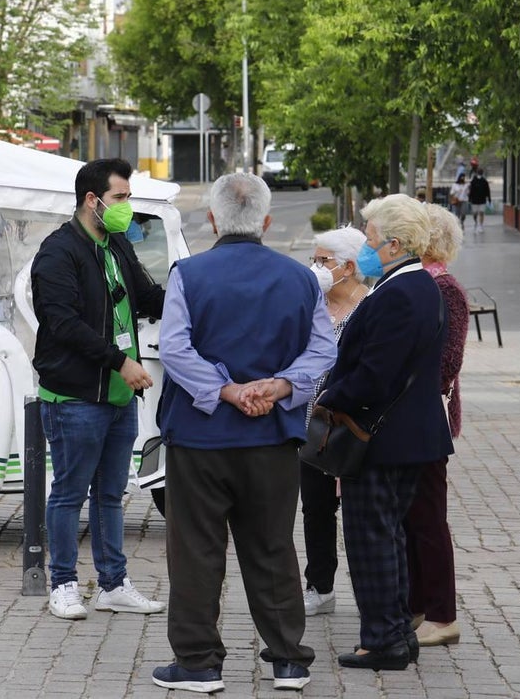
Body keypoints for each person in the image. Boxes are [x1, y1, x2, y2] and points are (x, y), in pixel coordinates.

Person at [150, 172, 337, 693]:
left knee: (195, 549)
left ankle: (198, 663)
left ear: (211, 219)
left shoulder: (188, 274)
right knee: (273, 545)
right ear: (267, 221)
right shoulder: (301, 279)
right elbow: (324, 349)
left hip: (200, 436)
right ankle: (288, 661)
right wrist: (279, 387)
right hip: (272, 438)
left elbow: (175, 348)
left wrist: (226, 391)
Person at [315, 194, 453, 672]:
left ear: (394, 244)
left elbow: (376, 375)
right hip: (401, 436)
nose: (366, 245)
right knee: (388, 537)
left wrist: (328, 398)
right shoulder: (404, 285)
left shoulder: (401, 291)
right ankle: (394, 632)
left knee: (372, 540)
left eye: (370, 238)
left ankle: (383, 641)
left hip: (383, 439)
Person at [30, 158, 166, 621]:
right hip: (75, 397)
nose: (127, 207)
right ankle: (64, 584)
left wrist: (198, 290)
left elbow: (146, 298)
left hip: (118, 396)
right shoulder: (58, 253)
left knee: (110, 493)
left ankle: (113, 583)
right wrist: (120, 361)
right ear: (93, 200)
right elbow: (63, 324)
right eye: (122, 198)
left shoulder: (116, 244)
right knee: (69, 492)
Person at [405, 204, 467, 648]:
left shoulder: (445, 290)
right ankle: (418, 604)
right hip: (409, 419)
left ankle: (443, 614)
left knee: (428, 517)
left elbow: (447, 363)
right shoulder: (419, 284)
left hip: (425, 420)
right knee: (411, 516)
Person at [300, 226, 369, 618]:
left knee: (359, 510)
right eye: (315, 258)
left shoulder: (369, 305)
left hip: (351, 425)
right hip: (310, 424)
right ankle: (320, 586)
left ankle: (369, 587)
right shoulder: (312, 304)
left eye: (323, 260)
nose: (316, 266)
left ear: (349, 267)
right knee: (315, 509)